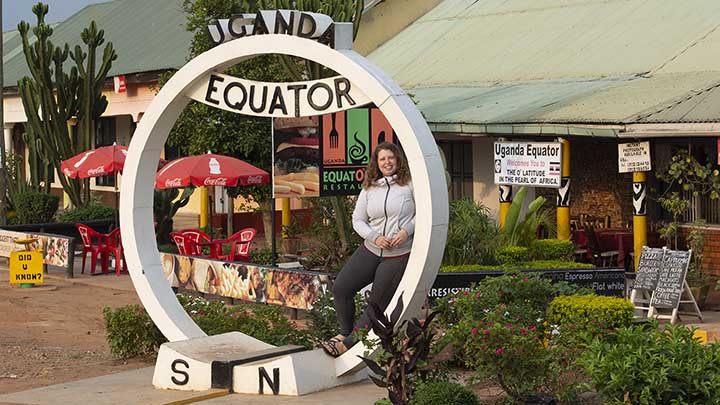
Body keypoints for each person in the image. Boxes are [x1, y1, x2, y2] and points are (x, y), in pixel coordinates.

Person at [321, 142, 415, 357]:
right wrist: (374, 236)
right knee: (341, 288)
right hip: (371, 248)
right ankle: (344, 333)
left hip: (398, 254)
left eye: (391, 158)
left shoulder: (410, 185)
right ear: (377, 163)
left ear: (398, 160)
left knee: (375, 305)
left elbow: (424, 212)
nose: (387, 162)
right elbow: (358, 219)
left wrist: (407, 231)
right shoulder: (370, 187)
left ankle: (348, 345)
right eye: (382, 159)